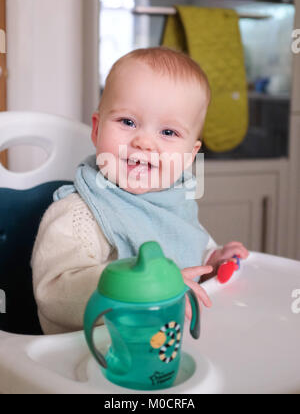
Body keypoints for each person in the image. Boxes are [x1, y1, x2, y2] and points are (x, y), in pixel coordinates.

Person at [31, 47, 249, 335]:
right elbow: (54, 292)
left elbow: (188, 254)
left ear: (189, 155)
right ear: (96, 130)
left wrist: (212, 262)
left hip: (165, 347)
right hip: (97, 356)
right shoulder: (79, 213)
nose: (144, 142)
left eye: (168, 133)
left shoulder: (174, 201)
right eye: (128, 122)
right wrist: (143, 287)